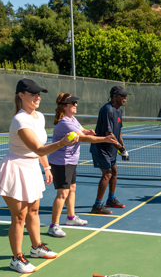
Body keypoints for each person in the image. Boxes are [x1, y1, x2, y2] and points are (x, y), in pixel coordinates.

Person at [0, 79, 78, 273]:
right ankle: (16, 258)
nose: (38, 97)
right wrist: (63, 143)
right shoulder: (20, 120)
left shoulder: (39, 116)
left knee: (34, 211)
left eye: (39, 94)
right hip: (16, 169)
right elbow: (37, 147)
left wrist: (46, 168)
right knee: (19, 216)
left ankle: (37, 247)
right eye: (33, 94)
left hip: (32, 168)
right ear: (21, 95)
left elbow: (40, 151)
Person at [47, 93, 117, 237]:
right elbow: (84, 138)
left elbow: (82, 132)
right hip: (61, 162)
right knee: (63, 193)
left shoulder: (72, 119)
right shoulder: (65, 122)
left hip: (70, 160)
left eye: (75, 103)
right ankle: (54, 225)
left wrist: (87, 131)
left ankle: (71, 218)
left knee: (72, 188)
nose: (76, 105)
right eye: (73, 103)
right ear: (65, 106)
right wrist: (104, 138)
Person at [89, 86, 130, 215]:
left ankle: (111, 199)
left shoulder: (119, 110)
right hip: (101, 147)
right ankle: (97, 206)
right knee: (107, 174)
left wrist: (123, 148)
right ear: (114, 96)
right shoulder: (107, 110)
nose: (125, 98)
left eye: (125, 96)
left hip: (111, 148)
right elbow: (109, 134)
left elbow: (118, 132)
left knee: (114, 171)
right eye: (122, 96)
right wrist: (120, 148)